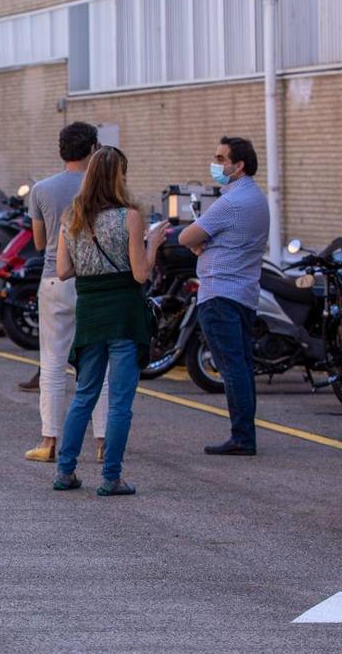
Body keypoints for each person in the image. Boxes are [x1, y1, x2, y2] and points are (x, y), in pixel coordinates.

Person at [53, 147, 166, 496]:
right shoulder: (129, 217)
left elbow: (62, 270)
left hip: (90, 311)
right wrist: (154, 243)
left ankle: (65, 471)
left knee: (84, 394)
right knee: (119, 401)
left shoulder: (72, 215)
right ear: (119, 176)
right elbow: (140, 273)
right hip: (124, 314)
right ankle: (111, 477)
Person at [179, 136, 270, 456]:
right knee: (241, 367)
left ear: (239, 165)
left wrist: (198, 243)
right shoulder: (255, 198)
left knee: (232, 369)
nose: (216, 164)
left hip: (219, 293)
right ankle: (245, 434)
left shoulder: (231, 203)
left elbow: (186, 235)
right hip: (243, 293)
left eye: (221, 158)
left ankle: (242, 437)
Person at [24, 122, 108, 464]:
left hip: (54, 280)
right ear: (92, 150)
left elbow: (40, 243)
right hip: (96, 282)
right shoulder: (104, 189)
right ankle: (103, 442)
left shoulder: (42, 190)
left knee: (53, 362)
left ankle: (49, 441)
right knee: (98, 364)